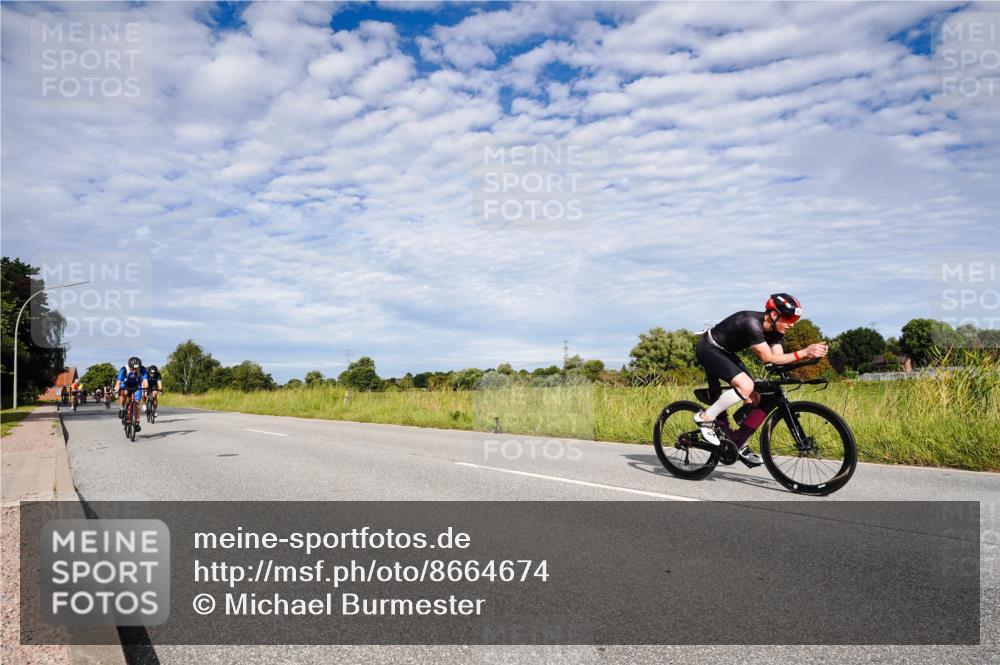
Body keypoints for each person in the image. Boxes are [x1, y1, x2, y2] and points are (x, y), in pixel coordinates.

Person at [694, 293, 828, 467]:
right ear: (773, 314)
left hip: (725, 352)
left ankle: (738, 441)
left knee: (755, 396)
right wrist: (804, 353)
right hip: (709, 348)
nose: (792, 323)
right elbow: (769, 359)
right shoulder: (752, 323)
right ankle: (705, 418)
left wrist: (808, 358)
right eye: (789, 318)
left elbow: (777, 359)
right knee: (745, 385)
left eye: (795, 319)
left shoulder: (776, 330)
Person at [115, 357, 149, 432]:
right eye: (132, 369)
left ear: (139, 367)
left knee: (136, 403)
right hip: (126, 384)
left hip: (136, 385)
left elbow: (145, 381)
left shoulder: (143, 369)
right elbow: (118, 382)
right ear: (129, 367)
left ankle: (137, 422)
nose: (134, 371)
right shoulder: (123, 369)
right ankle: (122, 409)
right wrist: (117, 390)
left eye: (136, 369)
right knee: (124, 393)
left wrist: (147, 389)